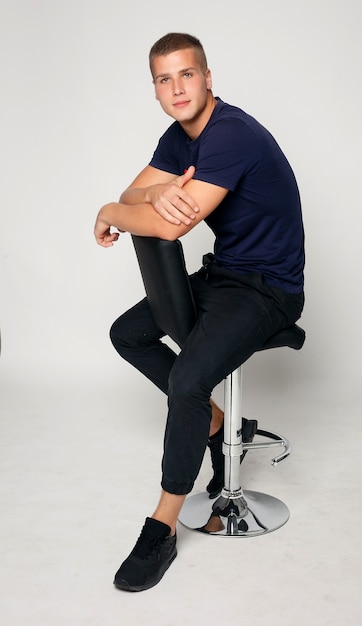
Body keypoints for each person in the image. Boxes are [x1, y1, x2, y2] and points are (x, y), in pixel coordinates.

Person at [94, 32, 305, 592]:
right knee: (129, 333)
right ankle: (216, 423)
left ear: (208, 77)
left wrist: (114, 209)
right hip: (226, 273)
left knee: (187, 379)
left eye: (186, 74)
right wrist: (145, 198)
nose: (177, 87)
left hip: (268, 289)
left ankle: (161, 527)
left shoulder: (230, 135)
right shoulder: (176, 137)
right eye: (165, 79)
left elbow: (160, 222)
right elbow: (141, 194)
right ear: (156, 90)